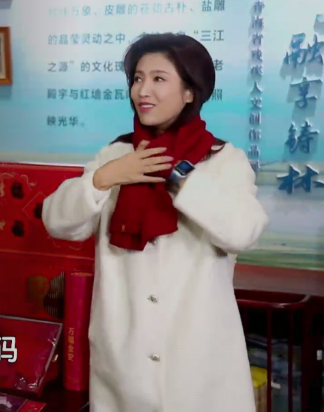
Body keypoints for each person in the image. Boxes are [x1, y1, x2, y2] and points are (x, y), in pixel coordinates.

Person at [42, 33, 268, 412]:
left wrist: (178, 177)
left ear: (190, 92)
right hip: (123, 361)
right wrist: (105, 178)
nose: (142, 91)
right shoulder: (116, 155)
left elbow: (244, 232)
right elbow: (59, 223)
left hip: (199, 362)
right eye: (137, 78)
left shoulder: (224, 159)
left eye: (158, 79)